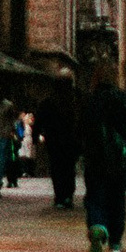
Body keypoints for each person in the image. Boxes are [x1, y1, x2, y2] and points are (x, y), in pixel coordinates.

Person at [80, 58, 126, 252]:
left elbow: (80, 129)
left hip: (94, 156)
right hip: (120, 156)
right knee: (116, 198)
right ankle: (116, 242)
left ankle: (97, 225)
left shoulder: (89, 101)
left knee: (95, 195)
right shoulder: (125, 99)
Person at [38, 72, 81, 209]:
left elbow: (40, 119)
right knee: (67, 168)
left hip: (57, 140)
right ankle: (66, 195)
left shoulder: (50, 101)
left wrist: (36, 134)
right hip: (67, 140)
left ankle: (61, 195)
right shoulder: (75, 100)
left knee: (58, 168)